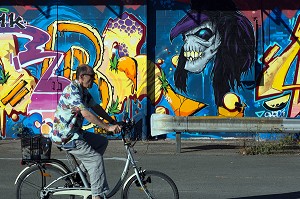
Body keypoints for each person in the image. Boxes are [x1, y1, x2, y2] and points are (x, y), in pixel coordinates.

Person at [49, 64, 121, 199]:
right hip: (66, 136)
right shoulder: (73, 91)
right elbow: (86, 113)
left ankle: (79, 175)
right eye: (92, 77)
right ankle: (97, 195)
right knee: (95, 160)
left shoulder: (83, 91)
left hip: (75, 133)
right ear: (82, 77)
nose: (93, 80)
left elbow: (95, 107)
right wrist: (106, 127)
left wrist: (112, 121)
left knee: (101, 142)